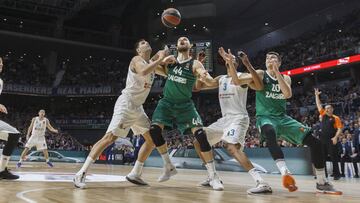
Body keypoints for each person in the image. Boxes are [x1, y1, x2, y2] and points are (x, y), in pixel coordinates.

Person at [73, 39, 174, 188]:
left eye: (146, 42)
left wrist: (167, 62)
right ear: (139, 50)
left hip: (138, 108)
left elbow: (167, 74)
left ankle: (135, 173)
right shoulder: (136, 60)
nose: (146, 43)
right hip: (126, 104)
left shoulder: (152, 65)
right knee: (109, 138)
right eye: (142, 43)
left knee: (152, 139)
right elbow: (143, 71)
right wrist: (160, 58)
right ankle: (80, 174)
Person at [143, 37, 224, 190]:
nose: (182, 40)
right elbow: (149, 66)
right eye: (180, 39)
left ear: (190, 46)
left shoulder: (195, 63)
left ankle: (213, 176)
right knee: (154, 131)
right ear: (176, 45)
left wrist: (206, 77)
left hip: (185, 106)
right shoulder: (170, 63)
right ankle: (168, 166)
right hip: (166, 103)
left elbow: (206, 78)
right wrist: (160, 58)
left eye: (185, 39)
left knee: (200, 135)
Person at [255, 52, 341, 194]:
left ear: (279, 62)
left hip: (283, 118)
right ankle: (285, 172)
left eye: (273, 58)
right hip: (266, 117)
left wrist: (276, 72)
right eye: (267, 58)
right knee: (269, 131)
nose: (269, 59)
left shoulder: (286, 77)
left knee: (316, 143)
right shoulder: (261, 75)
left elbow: (287, 94)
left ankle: (321, 182)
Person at [194, 48, 272, 194]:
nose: (231, 59)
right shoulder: (221, 79)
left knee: (231, 148)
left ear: (236, 63)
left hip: (239, 118)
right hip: (224, 120)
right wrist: (199, 66)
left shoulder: (243, 77)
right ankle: (212, 176)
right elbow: (198, 87)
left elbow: (256, 84)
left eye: (233, 58)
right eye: (229, 58)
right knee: (198, 140)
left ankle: (261, 182)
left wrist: (243, 63)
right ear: (225, 62)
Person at [0, 57, 21, 180]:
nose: (1, 65)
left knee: (14, 134)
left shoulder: (1, 81)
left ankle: (2, 169)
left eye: (2, 63)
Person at [315, 88, 342, 180]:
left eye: (328, 108)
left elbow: (339, 129)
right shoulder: (323, 115)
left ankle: (336, 175)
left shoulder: (336, 118)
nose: (326, 109)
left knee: (334, 157)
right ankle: (324, 175)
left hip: (331, 140)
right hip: (322, 140)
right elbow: (318, 105)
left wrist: (335, 137)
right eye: (326, 108)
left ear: (332, 109)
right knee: (322, 158)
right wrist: (316, 95)